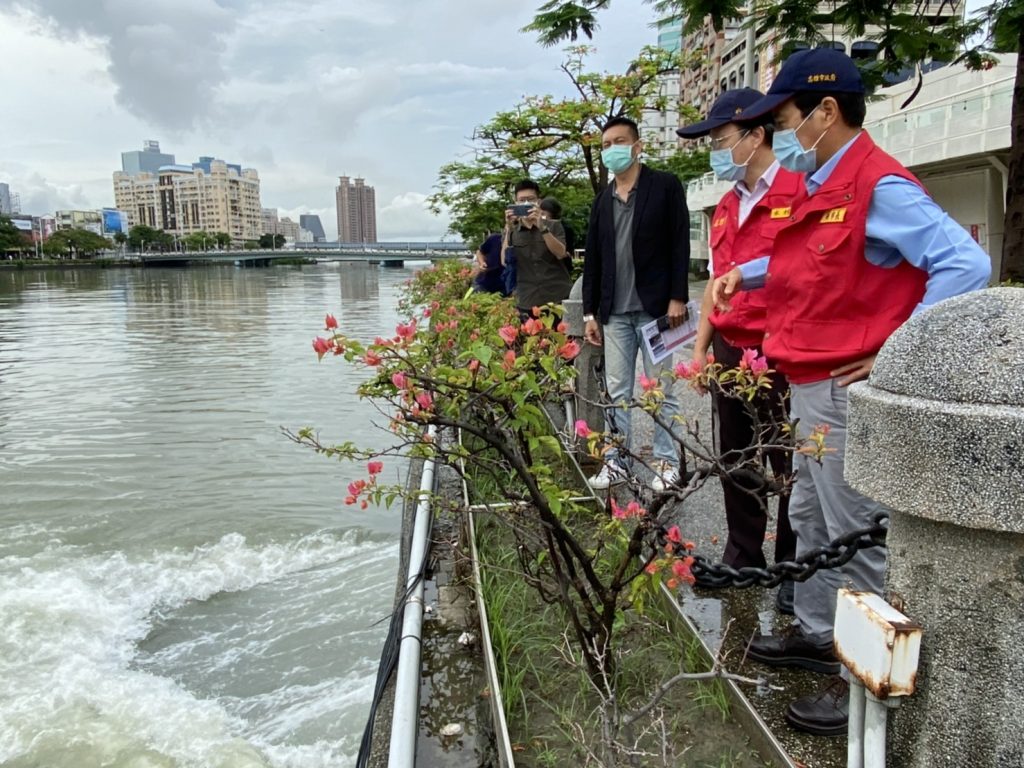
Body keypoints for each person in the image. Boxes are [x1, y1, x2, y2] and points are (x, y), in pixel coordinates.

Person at [711, 48, 991, 736]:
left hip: (840, 390)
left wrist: (895, 347)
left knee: (852, 534)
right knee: (809, 519)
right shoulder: (825, 183)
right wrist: (743, 277)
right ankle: (813, 633)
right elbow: (798, 258)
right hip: (808, 384)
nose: (782, 134)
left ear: (825, 111)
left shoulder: (879, 184)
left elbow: (966, 264)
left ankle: (863, 685)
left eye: (786, 118)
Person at [677, 88, 799, 612]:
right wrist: (702, 348)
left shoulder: (799, 190)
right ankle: (743, 554)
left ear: (756, 135)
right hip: (731, 346)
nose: (716, 151)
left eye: (721, 140)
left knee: (790, 459)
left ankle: (796, 567)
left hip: (783, 348)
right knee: (734, 455)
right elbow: (713, 285)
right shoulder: (725, 205)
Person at [581, 116, 690, 492]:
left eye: (620, 141)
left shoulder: (665, 186)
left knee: (662, 389)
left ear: (638, 145)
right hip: (615, 313)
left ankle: (668, 461)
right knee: (617, 391)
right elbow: (592, 261)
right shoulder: (602, 201)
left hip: (659, 308)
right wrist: (590, 312)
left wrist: (679, 296)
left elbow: (680, 243)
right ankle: (617, 462)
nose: (613, 149)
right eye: (606, 144)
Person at [503, 179, 571, 319]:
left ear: (538, 202)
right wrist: (508, 228)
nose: (526, 204)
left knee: (563, 340)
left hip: (557, 297)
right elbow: (504, 260)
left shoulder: (553, 225)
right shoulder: (511, 230)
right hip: (527, 300)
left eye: (530, 199)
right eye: (522, 200)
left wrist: (542, 227)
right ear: (515, 203)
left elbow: (560, 253)